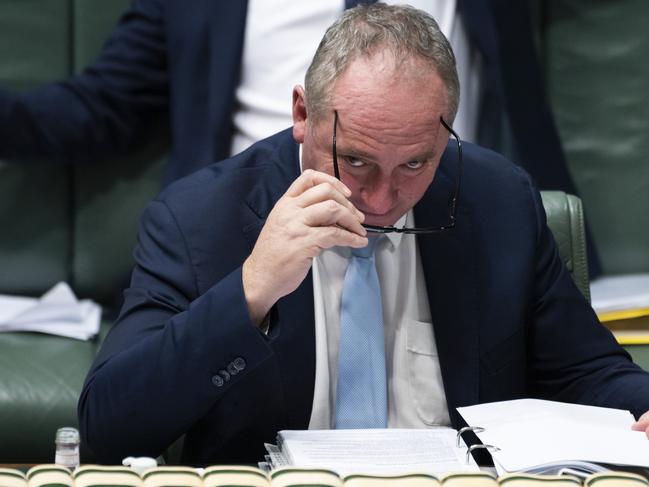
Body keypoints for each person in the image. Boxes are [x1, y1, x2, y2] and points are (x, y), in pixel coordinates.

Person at [78, 4, 638, 465]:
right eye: (355, 161)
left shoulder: (498, 202)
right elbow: (108, 428)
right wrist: (250, 291)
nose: (380, 200)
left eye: (416, 164)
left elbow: (591, 373)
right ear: (302, 113)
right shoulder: (199, 219)